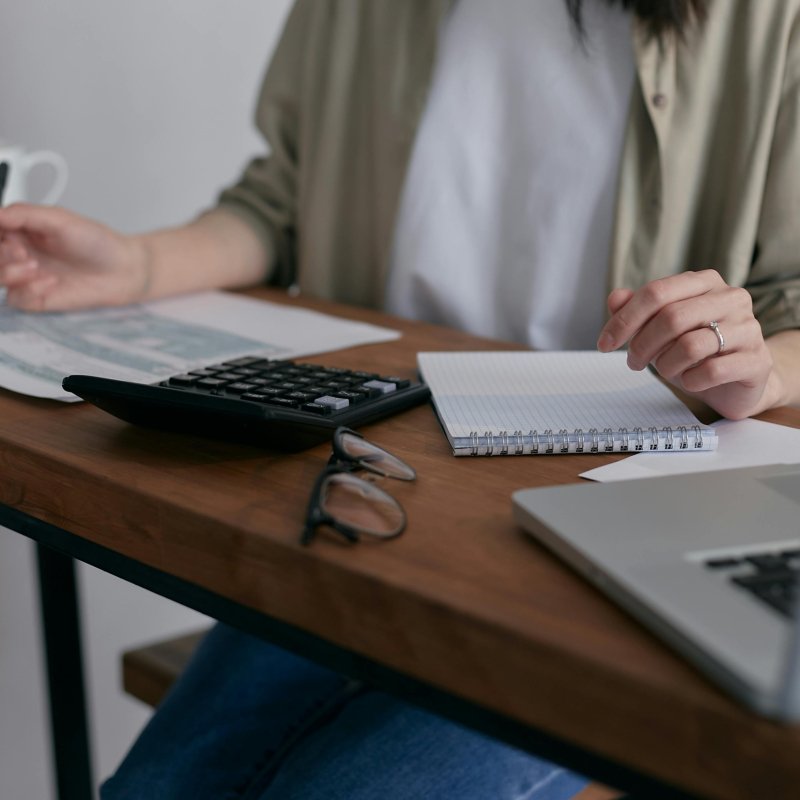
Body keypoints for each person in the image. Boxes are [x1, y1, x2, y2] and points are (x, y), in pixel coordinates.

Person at [2, 0, 800, 797]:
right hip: (369, 487)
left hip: (619, 524)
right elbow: (281, 203)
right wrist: (135, 266)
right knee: (152, 788)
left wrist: (758, 371)